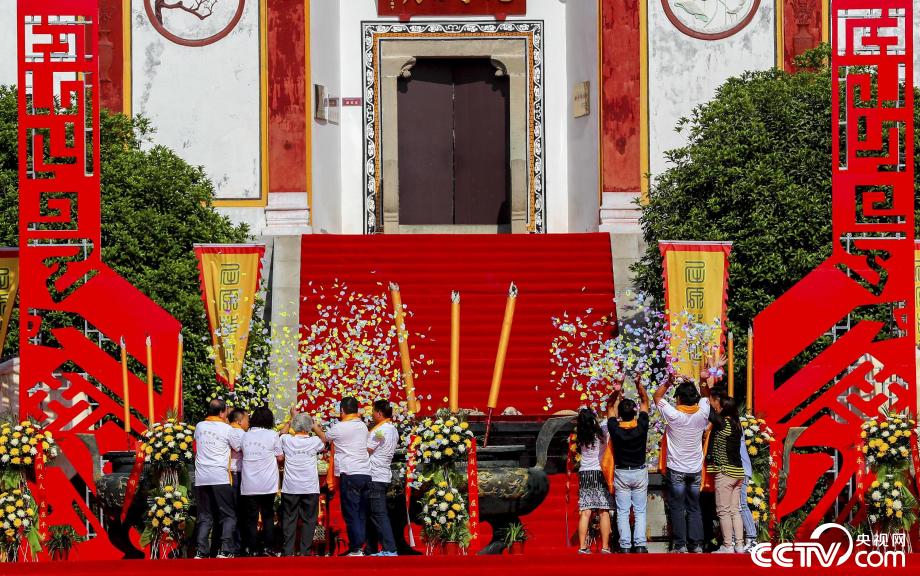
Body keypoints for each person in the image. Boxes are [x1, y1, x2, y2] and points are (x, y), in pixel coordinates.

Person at [653, 378, 711, 553]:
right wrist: (702, 380)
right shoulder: (702, 413)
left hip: (677, 469)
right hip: (695, 469)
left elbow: (657, 397)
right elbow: (706, 397)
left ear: (678, 398)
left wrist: (669, 382)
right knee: (694, 507)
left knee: (678, 507)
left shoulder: (674, 415)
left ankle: (680, 545)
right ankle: (697, 545)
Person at [193, 398, 242, 559]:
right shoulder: (227, 429)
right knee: (228, 515)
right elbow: (238, 447)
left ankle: (201, 551)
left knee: (204, 516)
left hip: (201, 477)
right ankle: (225, 549)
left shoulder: (200, 426)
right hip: (220, 476)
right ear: (222, 412)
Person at [607, 380, 650, 553]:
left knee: (623, 511)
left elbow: (609, 406)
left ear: (619, 414)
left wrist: (616, 390)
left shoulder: (615, 428)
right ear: (635, 412)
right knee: (640, 511)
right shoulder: (641, 426)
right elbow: (645, 401)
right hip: (639, 471)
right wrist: (639, 384)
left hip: (622, 472)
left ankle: (625, 545)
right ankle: (639, 544)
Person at [326, 396, 372, 556]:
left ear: (342, 410)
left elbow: (325, 437)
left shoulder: (339, 427)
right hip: (365, 473)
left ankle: (356, 547)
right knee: (361, 512)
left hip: (350, 473)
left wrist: (314, 426)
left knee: (351, 511)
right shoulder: (363, 426)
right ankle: (360, 546)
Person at [279, 409, 327, 557]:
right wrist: (315, 427)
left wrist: (290, 421)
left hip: (291, 487)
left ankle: (288, 552)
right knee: (309, 520)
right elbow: (324, 439)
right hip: (309, 487)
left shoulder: (287, 440)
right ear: (308, 427)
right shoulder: (314, 441)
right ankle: (305, 553)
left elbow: (280, 434)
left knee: (289, 520)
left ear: (294, 426)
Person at [240, 406, 283, 557]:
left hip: (249, 483)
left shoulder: (245, 436)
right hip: (267, 482)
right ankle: (268, 548)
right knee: (268, 515)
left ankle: (251, 549)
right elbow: (280, 456)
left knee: (251, 517)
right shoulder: (272, 434)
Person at [707, 396, 746, 553]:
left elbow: (710, 413)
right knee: (735, 510)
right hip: (738, 473)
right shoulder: (737, 425)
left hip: (725, 472)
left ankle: (728, 545)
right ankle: (740, 545)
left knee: (723, 511)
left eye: (719, 405)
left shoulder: (723, 424)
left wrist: (705, 391)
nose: (716, 408)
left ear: (724, 408)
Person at [574, 407, 612, 554]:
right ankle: (605, 547)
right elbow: (610, 418)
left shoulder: (580, 435)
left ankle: (582, 546)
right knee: (603, 511)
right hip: (599, 473)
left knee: (585, 511)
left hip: (584, 473)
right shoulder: (602, 433)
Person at [365, 399, 399, 557]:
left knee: (379, 514)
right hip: (383, 475)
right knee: (375, 513)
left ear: (379, 413)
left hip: (375, 475)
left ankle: (390, 549)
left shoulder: (380, 430)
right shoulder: (393, 429)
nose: (372, 415)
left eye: (373, 412)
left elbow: (368, 449)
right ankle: (374, 548)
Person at [227, 408, 249, 554]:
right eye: (247, 419)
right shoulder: (236, 432)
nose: (248, 422)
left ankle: (238, 545)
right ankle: (235, 546)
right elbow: (239, 447)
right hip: (236, 474)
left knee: (238, 511)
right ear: (239, 421)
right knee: (237, 511)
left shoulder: (232, 430)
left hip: (238, 474)